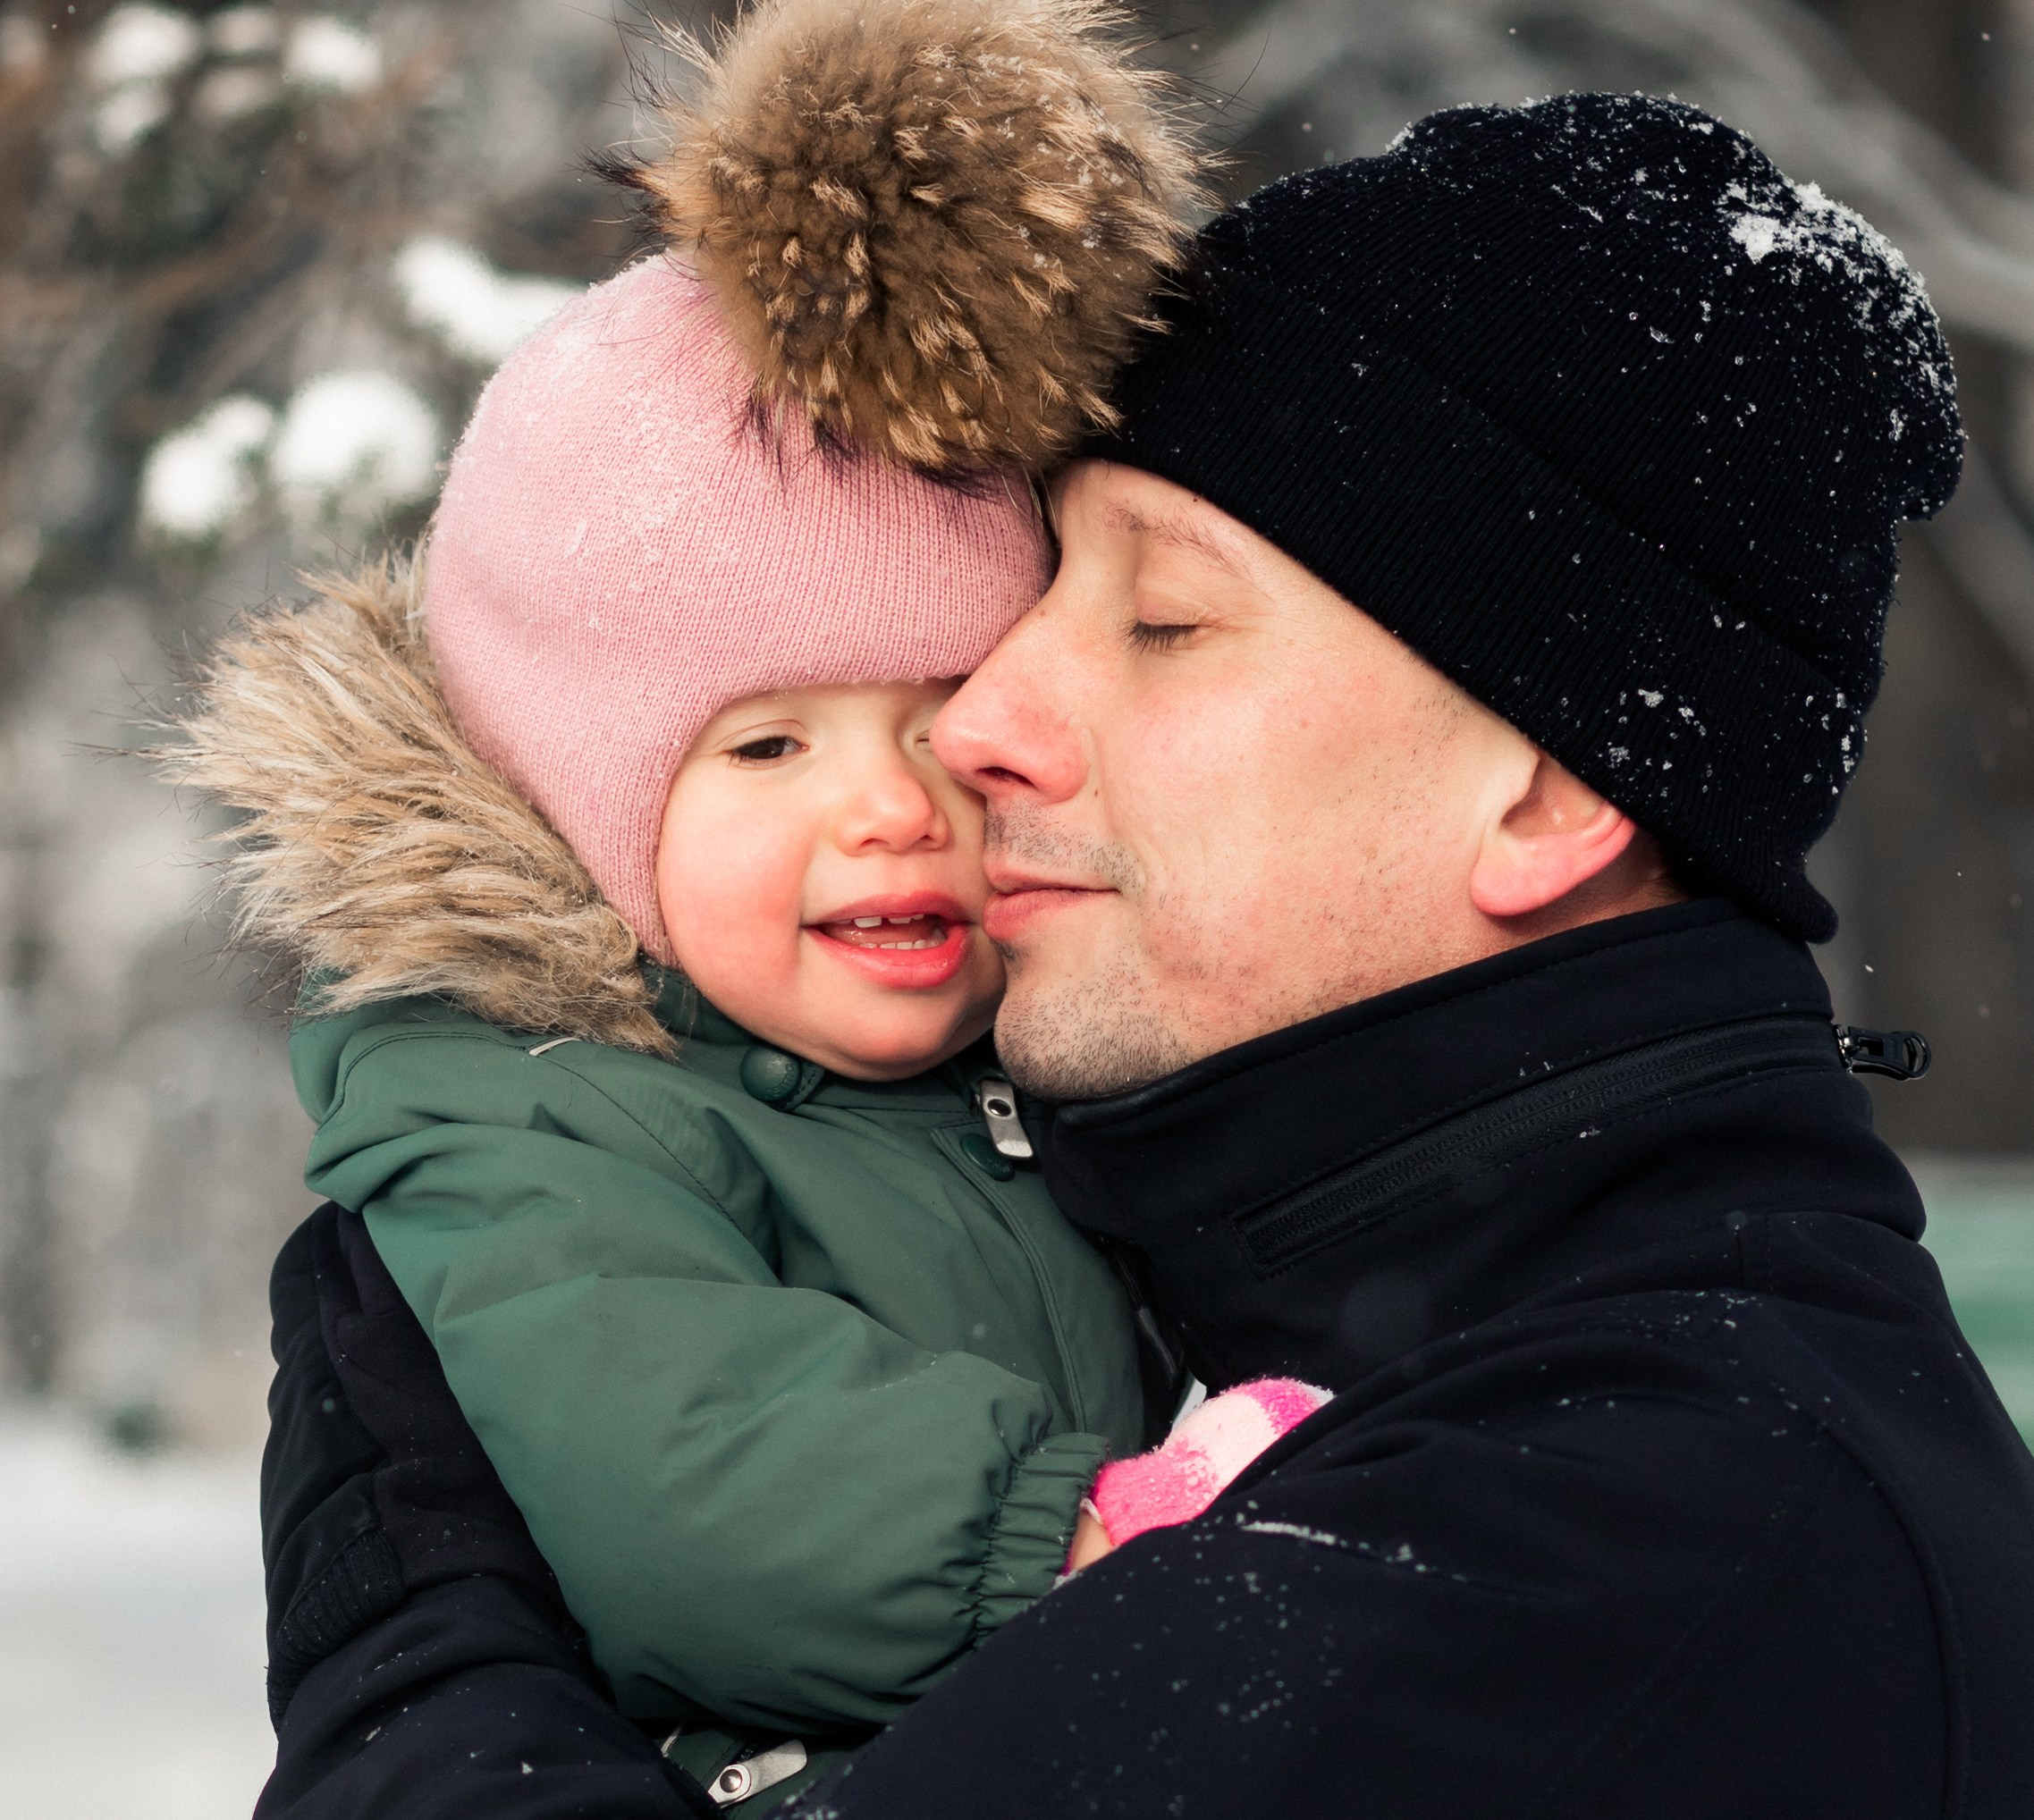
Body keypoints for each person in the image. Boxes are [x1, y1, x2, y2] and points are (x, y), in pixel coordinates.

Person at [249, 90, 2034, 1819]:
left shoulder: (1600, 1550)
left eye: (1162, 617)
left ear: (1550, 791)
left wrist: (416, 1633)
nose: (984, 723)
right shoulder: (1490, 1368)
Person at [182, 0, 1294, 1812]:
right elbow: (683, 1456)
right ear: (590, 809)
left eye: (939, 713)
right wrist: (1084, 1537)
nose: (888, 806)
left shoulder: (1050, 1050)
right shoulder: (525, 1108)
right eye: (767, 745)